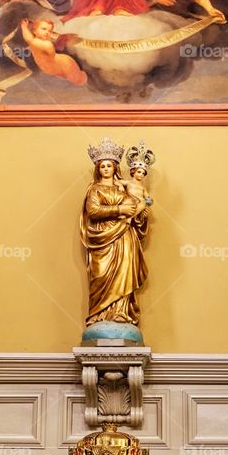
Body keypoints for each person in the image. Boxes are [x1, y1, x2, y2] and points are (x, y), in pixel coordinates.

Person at [80, 140, 148, 328]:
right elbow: (93, 211)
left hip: (125, 237)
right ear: (98, 169)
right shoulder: (94, 189)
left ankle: (120, 313)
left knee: (124, 271)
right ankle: (99, 315)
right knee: (101, 273)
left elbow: (135, 208)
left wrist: (141, 213)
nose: (106, 169)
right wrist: (119, 209)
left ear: (115, 167)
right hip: (102, 239)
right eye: (102, 166)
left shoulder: (123, 188)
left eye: (109, 165)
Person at [20, 17, 87, 86]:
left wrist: (24, 27)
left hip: (65, 65)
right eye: (43, 29)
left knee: (79, 80)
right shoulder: (36, 42)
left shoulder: (46, 44)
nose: (47, 32)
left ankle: (85, 76)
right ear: (34, 30)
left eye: (50, 31)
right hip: (55, 68)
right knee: (65, 77)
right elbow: (29, 40)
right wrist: (24, 26)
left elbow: (29, 40)